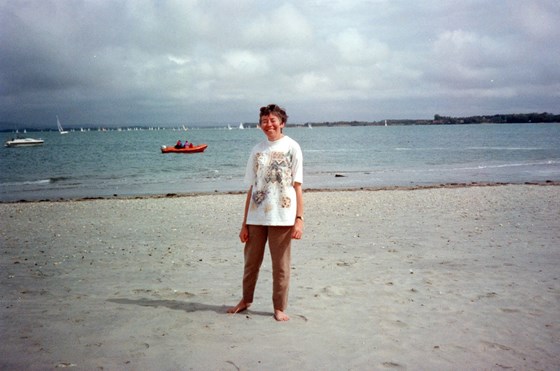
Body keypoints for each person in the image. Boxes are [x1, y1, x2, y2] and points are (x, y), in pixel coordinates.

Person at [228, 104, 304, 321]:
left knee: (280, 266)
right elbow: (251, 188)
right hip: (256, 216)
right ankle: (245, 300)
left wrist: (299, 219)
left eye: (272, 120)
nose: (268, 124)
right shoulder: (257, 150)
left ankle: (279, 307)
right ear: (260, 124)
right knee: (251, 262)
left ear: (282, 122)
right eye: (264, 121)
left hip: (282, 216)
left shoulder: (292, 147)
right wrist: (244, 223)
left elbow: (298, 186)